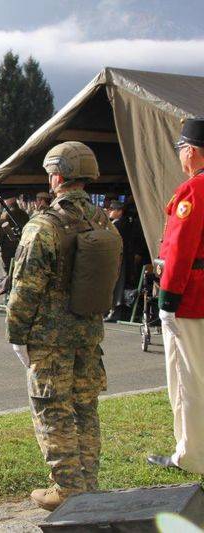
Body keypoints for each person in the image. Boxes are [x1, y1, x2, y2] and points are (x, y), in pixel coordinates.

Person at [6, 141, 120, 511]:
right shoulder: (103, 220)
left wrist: (16, 335)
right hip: (89, 334)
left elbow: (25, 288)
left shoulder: (44, 225)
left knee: (52, 409)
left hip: (50, 338)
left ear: (57, 176)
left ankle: (68, 489)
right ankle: (87, 481)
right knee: (84, 408)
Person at [148, 117, 204, 474]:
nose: (181, 156)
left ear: (193, 151)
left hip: (192, 299)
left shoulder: (193, 192)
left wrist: (167, 300)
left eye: (181, 148)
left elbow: (181, 251)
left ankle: (192, 456)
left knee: (187, 379)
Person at [0, 194, 29, 276]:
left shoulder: (5, 215)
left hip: (8, 248)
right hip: (21, 246)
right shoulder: (24, 214)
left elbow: (1, 233)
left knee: (7, 271)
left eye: (5, 199)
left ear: (9, 201)